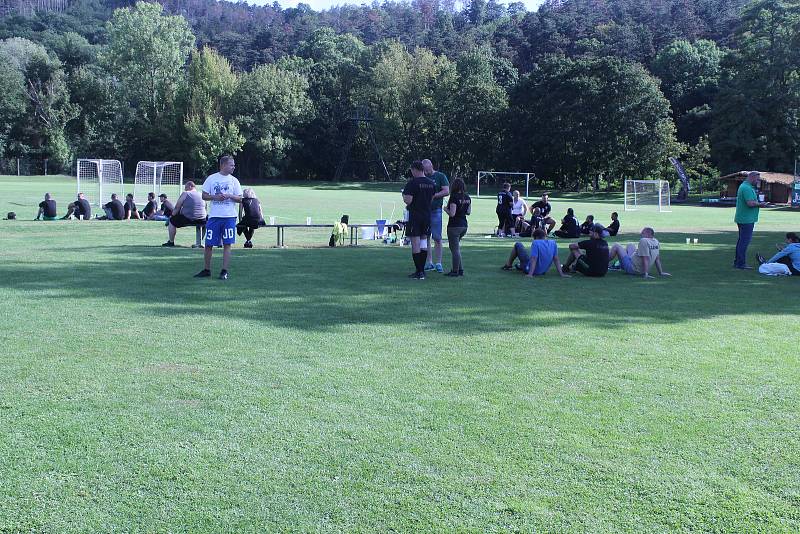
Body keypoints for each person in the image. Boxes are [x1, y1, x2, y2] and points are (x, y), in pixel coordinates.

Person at [194, 156, 243, 280]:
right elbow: (204, 195)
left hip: (229, 217)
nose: (234, 167)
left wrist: (229, 196)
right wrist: (215, 197)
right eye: (231, 165)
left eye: (234, 165)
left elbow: (240, 198)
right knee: (209, 244)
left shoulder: (234, 181)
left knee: (227, 244)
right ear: (223, 165)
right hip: (215, 216)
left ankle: (224, 271)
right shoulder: (212, 178)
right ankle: (206, 270)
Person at [402, 160, 436, 279]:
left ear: (415, 169)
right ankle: (422, 271)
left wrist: (403, 196)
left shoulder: (412, 183)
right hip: (427, 215)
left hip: (415, 216)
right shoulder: (431, 183)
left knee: (415, 243)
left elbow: (408, 200)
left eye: (411, 171)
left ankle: (419, 271)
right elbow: (431, 199)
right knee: (423, 242)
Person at [501, 228, 569, 278]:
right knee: (525, 258)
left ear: (535, 237)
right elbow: (556, 259)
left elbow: (534, 258)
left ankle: (509, 264)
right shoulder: (553, 243)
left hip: (533, 270)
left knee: (518, 245)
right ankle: (520, 265)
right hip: (543, 271)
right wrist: (561, 274)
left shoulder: (536, 243)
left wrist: (530, 274)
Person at [734, 171, 768, 269]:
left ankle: (737, 262)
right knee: (744, 242)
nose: (758, 181)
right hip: (746, 219)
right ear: (752, 177)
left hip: (744, 218)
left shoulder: (746, 187)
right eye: (757, 179)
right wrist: (761, 204)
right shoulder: (746, 188)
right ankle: (741, 264)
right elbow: (750, 203)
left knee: (741, 241)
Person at [422, 159, 449, 273]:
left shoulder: (440, 176)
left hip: (436, 211)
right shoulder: (422, 177)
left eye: (427, 170)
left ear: (431, 166)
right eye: (424, 170)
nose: (426, 172)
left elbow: (446, 191)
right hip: (424, 211)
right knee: (426, 237)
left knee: (437, 238)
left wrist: (434, 196)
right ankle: (429, 262)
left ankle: (438, 263)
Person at [163, 181, 207, 246]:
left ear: (190, 186)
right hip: (201, 219)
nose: (185, 189)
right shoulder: (201, 194)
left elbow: (177, 207)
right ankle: (199, 243)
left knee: (172, 221)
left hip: (187, 218)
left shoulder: (186, 193)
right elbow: (205, 208)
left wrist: (171, 216)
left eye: (186, 187)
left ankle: (171, 242)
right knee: (205, 223)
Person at [444, 177, 471, 277]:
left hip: (454, 226)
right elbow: (468, 212)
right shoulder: (467, 197)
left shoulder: (454, 197)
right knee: (456, 248)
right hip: (464, 225)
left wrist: (445, 209)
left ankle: (455, 271)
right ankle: (460, 270)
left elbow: (452, 214)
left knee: (454, 249)